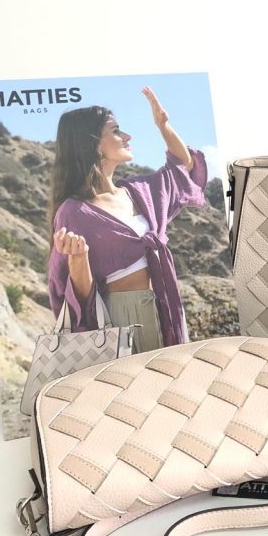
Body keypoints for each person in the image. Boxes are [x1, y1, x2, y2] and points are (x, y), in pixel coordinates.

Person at [47, 86, 207, 352]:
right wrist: (78, 258)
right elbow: (76, 297)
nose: (127, 136)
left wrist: (163, 126)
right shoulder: (74, 211)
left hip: (166, 308)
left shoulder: (138, 192)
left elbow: (183, 167)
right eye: (116, 131)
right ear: (92, 143)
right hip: (120, 318)